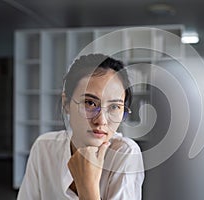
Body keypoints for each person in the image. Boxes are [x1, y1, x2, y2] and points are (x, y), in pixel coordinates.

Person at [17, 54, 144, 200]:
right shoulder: (44, 148)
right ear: (66, 104)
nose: (101, 120)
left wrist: (88, 187)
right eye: (90, 103)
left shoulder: (125, 154)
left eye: (114, 106)